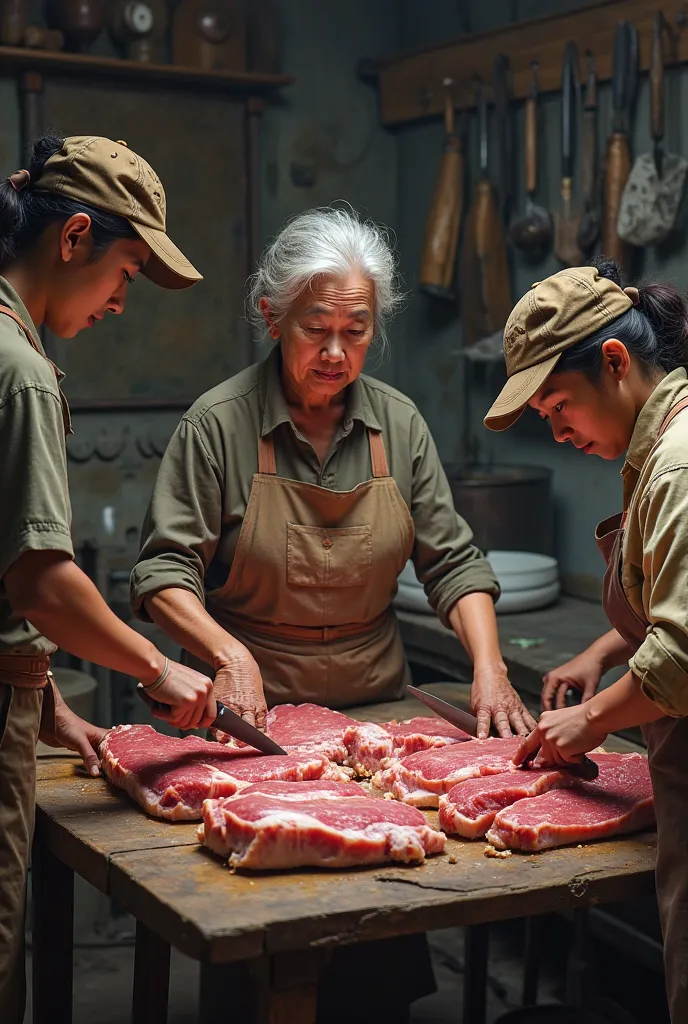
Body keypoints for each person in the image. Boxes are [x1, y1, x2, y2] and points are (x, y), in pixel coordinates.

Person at [131, 206, 535, 739]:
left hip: (376, 712)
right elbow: (163, 574)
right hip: (248, 715)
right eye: (316, 328)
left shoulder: (400, 423)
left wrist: (492, 668)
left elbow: (454, 565)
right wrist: (231, 657)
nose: (336, 352)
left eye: (356, 330)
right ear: (273, 317)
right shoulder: (218, 424)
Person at [0, 132, 218, 1023]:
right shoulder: (21, 372)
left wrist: (47, 708)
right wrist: (155, 668)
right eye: (126, 272)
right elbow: (44, 582)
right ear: (73, 236)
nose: (123, 301)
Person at [484, 257, 688, 1023]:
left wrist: (590, 718)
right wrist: (604, 651)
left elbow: (683, 656)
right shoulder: (662, 442)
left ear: (614, 360)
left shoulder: (677, 463)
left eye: (558, 404)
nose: (558, 429)